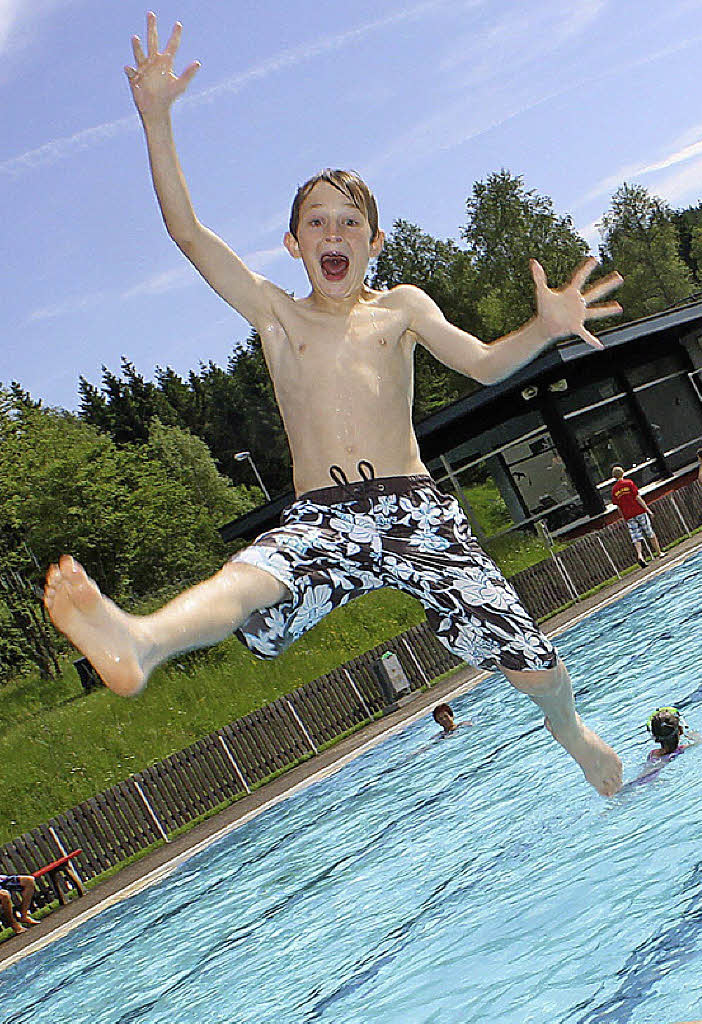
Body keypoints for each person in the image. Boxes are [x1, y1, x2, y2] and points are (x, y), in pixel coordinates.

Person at [44, 14, 625, 796]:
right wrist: (155, 117)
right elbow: (187, 233)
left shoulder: (403, 308)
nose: (333, 231)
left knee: (535, 665)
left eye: (349, 221)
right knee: (250, 578)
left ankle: (571, 730)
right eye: (316, 221)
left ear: (374, 241)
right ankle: (140, 641)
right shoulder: (275, 315)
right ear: (293, 245)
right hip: (323, 515)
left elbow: (486, 365)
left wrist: (545, 328)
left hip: (416, 511)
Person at [610, 466, 663, 567]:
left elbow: (618, 507)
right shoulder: (629, 483)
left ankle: (640, 555)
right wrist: (648, 509)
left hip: (628, 516)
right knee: (649, 532)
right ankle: (659, 553)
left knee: (636, 537)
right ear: (623, 473)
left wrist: (624, 517)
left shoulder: (614, 490)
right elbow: (637, 497)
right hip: (639, 511)